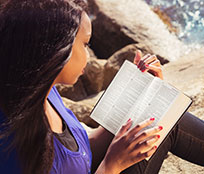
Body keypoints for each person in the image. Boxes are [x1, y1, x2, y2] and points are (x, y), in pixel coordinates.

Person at [0, 0, 203, 174]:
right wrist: (112, 165)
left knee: (162, 117)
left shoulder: (43, 93)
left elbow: (82, 151)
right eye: (86, 44)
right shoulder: (16, 147)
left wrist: (140, 94)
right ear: (55, 50)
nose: (88, 55)